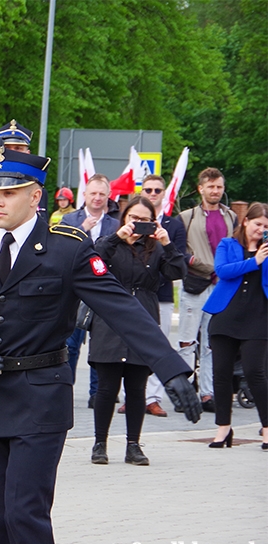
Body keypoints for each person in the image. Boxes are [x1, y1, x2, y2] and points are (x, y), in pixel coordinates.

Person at [0, 148, 201, 544]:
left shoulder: (67, 248)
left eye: (9, 192)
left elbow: (122, 309)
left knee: (25, 509)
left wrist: (171, 370)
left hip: (40, 396)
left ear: (34, 196)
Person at [88, 197, 186, 466]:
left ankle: (133, 444)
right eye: (134, 218)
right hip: (110, 319)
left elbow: (178, 271)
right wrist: (118, 239)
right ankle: (100, 443)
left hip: (143, 319)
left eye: (145, 220)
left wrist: (167, 243)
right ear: (123, 217)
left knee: (136, 388)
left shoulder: (155, 249)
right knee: (106, 388)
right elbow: (93, 262)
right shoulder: (111, 242)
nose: (138, 224)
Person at [202, 202, 268, 450]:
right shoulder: (228, 245)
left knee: (255, 373)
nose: (260, 230)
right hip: (225, 317)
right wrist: (255, 261)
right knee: (221, 374)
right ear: (245, 222)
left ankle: (266, 428)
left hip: (258, 318)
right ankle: (223, 429)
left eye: (265, 227)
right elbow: (222, 271)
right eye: (257, 224)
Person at [121, 174, 188, 417]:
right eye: (148, 189)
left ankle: (153, 398)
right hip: (129, 299)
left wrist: (165, 242)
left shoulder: (172, 225)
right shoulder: (122, 231)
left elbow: (178, 265)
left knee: (157, 346)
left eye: (157, 190)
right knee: (126, 350)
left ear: (163, 193)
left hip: (159, 295)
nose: (153, 193)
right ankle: (132, 397)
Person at [176, 168, 237, 411]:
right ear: (201, 188)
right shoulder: (187, 217)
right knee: (187, 342)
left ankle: (207, 393)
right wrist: (200, 265)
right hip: (195, 283)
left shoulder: (231, 216)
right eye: (211, 187)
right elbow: (180, 251)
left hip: (221, 286)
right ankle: (185, 391)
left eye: (219, 187)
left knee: (212, 341)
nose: (215, 191)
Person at [61, 174, 118, 406]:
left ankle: (98, 394)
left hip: (102, 290)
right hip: (73, 292)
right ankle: (66, 389)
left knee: (100, 345)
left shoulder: (115, 224)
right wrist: (82, 229)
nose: (97, 198)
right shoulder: (69, 220)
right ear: (84, 194)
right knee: (71, 345)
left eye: (101, 194)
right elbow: (62, 251)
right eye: (93, 193)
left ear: (108, 197)